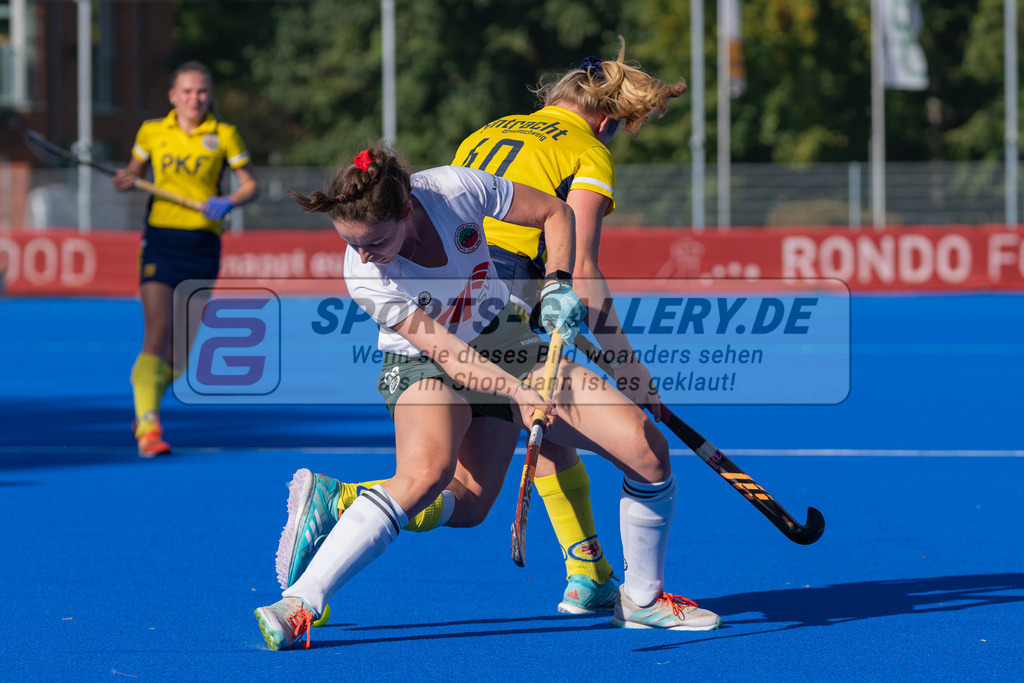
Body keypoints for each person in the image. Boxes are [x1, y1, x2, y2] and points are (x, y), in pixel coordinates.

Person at [254, 145, 720, 650]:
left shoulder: (455, 189)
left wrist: (559, 285)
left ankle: (642, 601)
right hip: (425, 362)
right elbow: (451, 358)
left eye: (375, 241)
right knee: (426, 475)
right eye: (352, 242)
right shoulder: (365, 273)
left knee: (645, 453)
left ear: (406, 210)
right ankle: (300, 602)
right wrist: (520, 393)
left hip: (506, 339)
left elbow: (555, 212)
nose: (363, 254)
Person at [324, 37, 688, 614]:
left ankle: (586, 569)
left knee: (538, 424)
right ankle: (598, 575)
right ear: (607, 119)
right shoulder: (588, 150)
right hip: (510, 281)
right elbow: (584, 268)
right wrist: (628, 367)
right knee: (550, 411)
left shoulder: (490, 129)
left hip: (462, 270)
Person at [112, 61, 259, 457]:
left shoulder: (224, 134)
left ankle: (147, 401)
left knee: (180, 357)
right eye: (188, 91)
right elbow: (131, 173)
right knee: (157, 331)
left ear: (209, 95)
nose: (195, 98)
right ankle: (148, 424)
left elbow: (251, 186)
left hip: (203, 245)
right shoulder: (152, 132)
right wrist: (125, 179)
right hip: (160, 240)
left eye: (202, 91)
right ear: (173, 96)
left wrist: (227, 201)